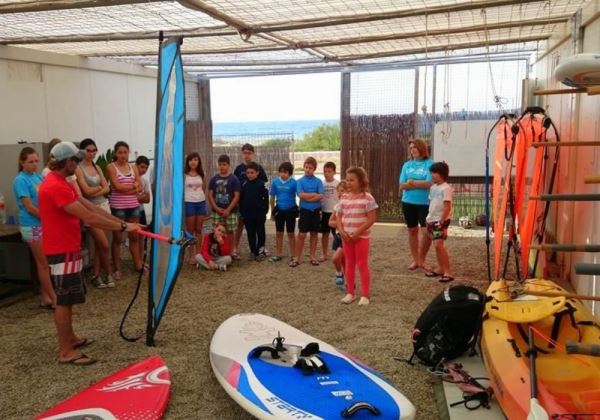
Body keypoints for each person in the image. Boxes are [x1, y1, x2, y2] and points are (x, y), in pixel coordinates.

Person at [38, 142, 141, 365]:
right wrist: (124, 228)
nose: (78, 164)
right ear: (67, 162)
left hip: (68, 248)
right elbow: (88, 217)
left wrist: (123, 223)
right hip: (61, 250)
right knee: (64, 301)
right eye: (75, 160)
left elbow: (91, 207)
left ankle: (71, 338)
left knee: (70, 298)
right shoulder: (55, 186)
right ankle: (66, 350)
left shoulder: (62, 183)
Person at [12, 147, 56, 308]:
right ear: (22, 162)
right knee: (42, 262)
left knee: (46, 261)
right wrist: (48, 217)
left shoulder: (37, 177)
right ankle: (52, 296)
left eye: (36, 161)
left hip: (42, 223)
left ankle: (45, 296)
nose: (34, 164)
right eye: (30, 162)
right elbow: (29, 206)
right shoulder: (20, 180)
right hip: (32, 224)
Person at [75, 139, 113, 289]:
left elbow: (107, 188)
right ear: (82, 151)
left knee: (100, 244)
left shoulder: (97, 167)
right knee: (103, 243)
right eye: (88, 150)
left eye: (93, 150)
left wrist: (97, 189)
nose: (91, 153)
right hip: (90, 208)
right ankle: (108, 271)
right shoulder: (79, 168)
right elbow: (85, 191)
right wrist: (100, 188)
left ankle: (96, 275)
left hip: (103, 206)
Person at [337, 167, 378, 306]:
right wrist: (341, 231)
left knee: (362, 264)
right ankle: (350, 293)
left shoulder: (368, 198)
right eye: (347, 180)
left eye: (352, 180)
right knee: (348, 264)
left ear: (361, 181)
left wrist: (358, 232)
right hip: (346, 237)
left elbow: (371, 218)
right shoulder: (343, 197)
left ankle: (365, 295)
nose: (348, 183)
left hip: (361, 238)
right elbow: (338, 216)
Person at [107, 141, 144, 278]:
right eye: (120, 152)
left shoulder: (133, 167)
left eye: (125, 152)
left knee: (134, 236)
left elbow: (140, 186)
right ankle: (117, 268)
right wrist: (133, 188)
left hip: (133, 206)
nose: (123, 155)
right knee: (117, 238)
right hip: (118, 207)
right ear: (115, 153)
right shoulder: (111, 167)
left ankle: (138, 265)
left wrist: (133, 189)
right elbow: (117, 187)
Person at [399, 139, 434, 271]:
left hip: (425, 203)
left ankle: (422, 258)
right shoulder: (406, 165)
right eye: (411, 147)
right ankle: (417, 260)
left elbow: (429, 184)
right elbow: (402, 186)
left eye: (415, 147)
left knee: (427, 232)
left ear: (422, 148)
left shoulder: (430, 164)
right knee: (412, 231)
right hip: (408, 202)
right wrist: (419, 183)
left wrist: (411, 181)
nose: (412, 149)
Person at [233, 143, 267, 256]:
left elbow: (263, 187)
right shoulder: (238, 169)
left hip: (256, 207)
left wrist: (264, 209)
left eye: (249, 153)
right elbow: (235, 186)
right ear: (242, 154)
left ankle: (261, 249)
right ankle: (235, 248)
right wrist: (237, 203)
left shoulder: (259, 168)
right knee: (240, 225)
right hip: (243, 204)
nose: (247, 155)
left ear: (253, 154)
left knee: (259, 228)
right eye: (245, 153)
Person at [290, 156, 323, 267]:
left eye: (310, 168)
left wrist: (309, 197)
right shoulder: (300, 181)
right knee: (302, 234)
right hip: (304, 211)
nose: (308, 169)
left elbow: (321, 196)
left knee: (314, 233)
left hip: (315, 211)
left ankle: (312, 257)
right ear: (304, 167)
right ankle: (297, 258)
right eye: (306, 167)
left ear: (314, 169)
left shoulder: (318, 181)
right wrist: (314, 194)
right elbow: (301, 195)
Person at [424, 162, 454, 283]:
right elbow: (432, 203)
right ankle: (441, 268)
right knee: (436, 246)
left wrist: (442, 221)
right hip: (431, 220)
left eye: (435, 173)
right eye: (431, 172)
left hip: (439, 222)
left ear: (442, 174)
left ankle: (448, 272)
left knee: (439, 245)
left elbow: (447, 207)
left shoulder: (446, 188)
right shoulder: (433, 188)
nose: (432, 175)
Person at [207, 154, 240, 258]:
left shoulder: (234, 179)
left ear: (229, 165)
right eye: (220, 164)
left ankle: (230, 252)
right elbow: (210, 195)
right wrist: (216, 208)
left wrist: (228, 209)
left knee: (230, 231)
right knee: (217, 231)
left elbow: (236, 196)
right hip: (217, 211)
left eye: (224, 164)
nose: (222, 167)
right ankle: (218, 250)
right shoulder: (214, 179)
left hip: (231, 211)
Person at [239, 162, 269, 261]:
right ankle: (253, 251)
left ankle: (260, 251)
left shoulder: (262, 185)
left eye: (252, 172)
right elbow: (241, 199)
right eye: (248, 173)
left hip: (259, 214)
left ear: (257, 173)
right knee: (250, 233)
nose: (250, 175)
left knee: (260, 232)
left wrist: (265, 211)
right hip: (247, 215)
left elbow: (266, 199)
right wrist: (242, 212)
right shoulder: (244, 185)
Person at [269, 161, 297, 262]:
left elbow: (300, 195)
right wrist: (272, 213)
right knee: (279, 233)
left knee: (291, 233)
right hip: (279, 211)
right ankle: (278, 254)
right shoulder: (275, 182)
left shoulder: (294, 183)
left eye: (285, 172)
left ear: (290, 173)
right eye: (281, 172)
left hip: (291, 211)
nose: (282, 174)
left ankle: (293, 255)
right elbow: (272, 198)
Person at [184, 152, 207, 264]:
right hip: (189, 203)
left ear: (199, 162)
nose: (193, 162)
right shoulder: (184, 175)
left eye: (195, 160)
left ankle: (199, 253)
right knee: (190, 230)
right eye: (191, 160)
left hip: (201, 203)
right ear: (188, 162)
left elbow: (204, 187)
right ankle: (191, 255)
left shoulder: (202, 174)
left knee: (199, 229)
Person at [328, 180, 347, 288]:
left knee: (336, 258)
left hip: (347, 237)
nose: (340, 193)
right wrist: (340, 224)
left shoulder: (351, 207)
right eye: (339, 191)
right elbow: (330, 222)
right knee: (341, 260)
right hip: (338, 236)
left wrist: (344, 225)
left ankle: (341, 275)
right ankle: (342, 274)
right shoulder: (337, 207)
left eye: (343, 191)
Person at [320, 161, 339, 262]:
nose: (327, 173)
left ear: (334, 172)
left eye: (329, 171)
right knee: (325, 234)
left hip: (334, 212)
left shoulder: (338, 184)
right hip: (324, 211)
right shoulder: (321, 183)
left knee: (336, 234)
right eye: (325, 171)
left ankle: (338, 252)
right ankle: (324, 253)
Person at [134, 156, 151, 261]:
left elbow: (148, 199)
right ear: (136, 166)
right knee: (134, 237)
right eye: (142, 167)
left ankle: (140, 260)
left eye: (146, 168)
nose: (144, 170)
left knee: (142, 236)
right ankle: (136, 261)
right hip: (131, 211)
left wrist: (136, 197)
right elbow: (129, 198)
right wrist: (140, 197)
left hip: (141, 211)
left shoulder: (145, 181)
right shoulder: (131, 179)